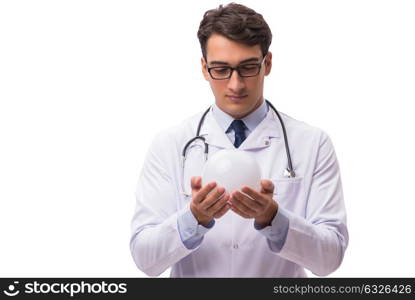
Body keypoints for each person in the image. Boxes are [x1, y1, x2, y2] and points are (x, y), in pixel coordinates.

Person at [130, 3, 348, 277]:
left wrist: (273, 218)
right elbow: (145, 258)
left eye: (247, 68)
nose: (235, 84)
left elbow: (330, 258)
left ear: (267, 63)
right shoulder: (171, 144)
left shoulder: (312, 143)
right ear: (203, 68)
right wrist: (193, 218)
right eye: (220, 69)